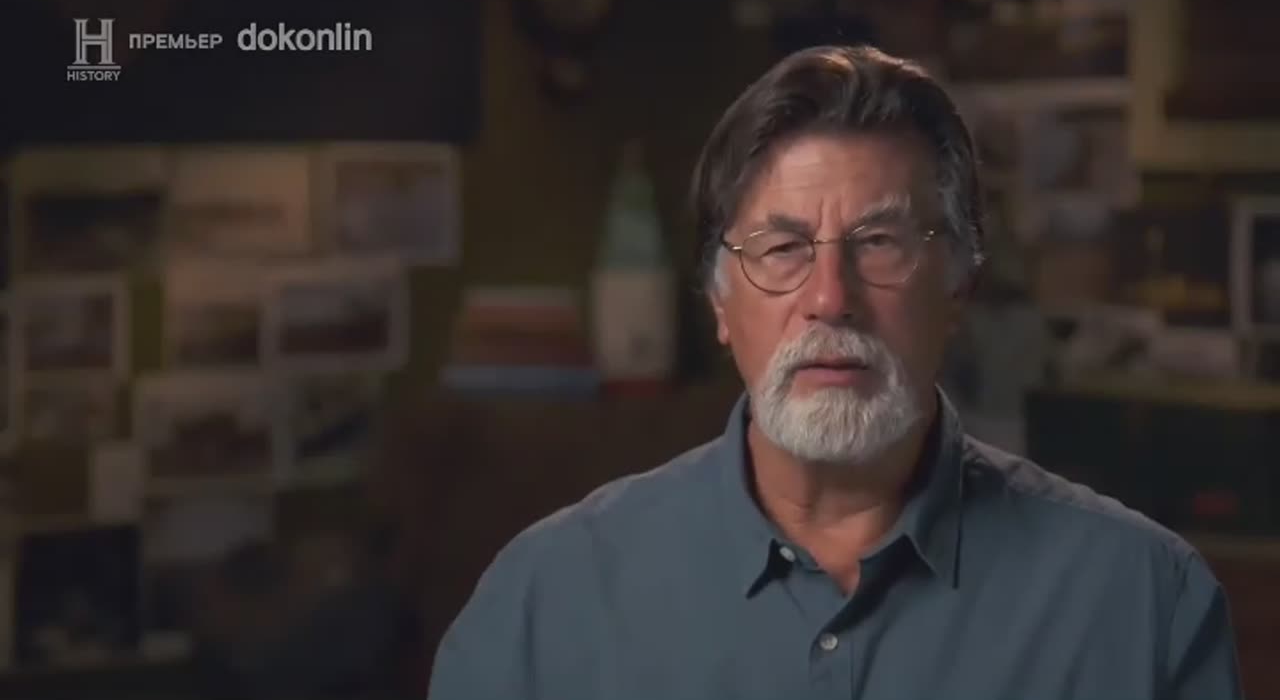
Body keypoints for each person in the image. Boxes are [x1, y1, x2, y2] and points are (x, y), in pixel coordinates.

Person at [427, 45, 1244, 700]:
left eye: (880, 243)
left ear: (957, 287)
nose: (829, 299)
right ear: (720, 303)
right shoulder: (545, 604)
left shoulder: (1143, 606)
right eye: (783, 249)